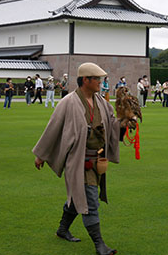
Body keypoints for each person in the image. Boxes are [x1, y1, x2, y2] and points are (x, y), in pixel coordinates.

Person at [33, 62, 124, 255]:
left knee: (78, 198)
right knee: (90, 201)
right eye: (96, 79)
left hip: (96, 161)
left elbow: (112, 123)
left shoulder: (101, 101)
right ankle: (100, 245)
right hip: (78, 161)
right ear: (85, 80)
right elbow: (53, 127)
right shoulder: (68, 102)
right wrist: (41, 155)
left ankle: (62, 229)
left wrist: (124, 123)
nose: (100, 82)